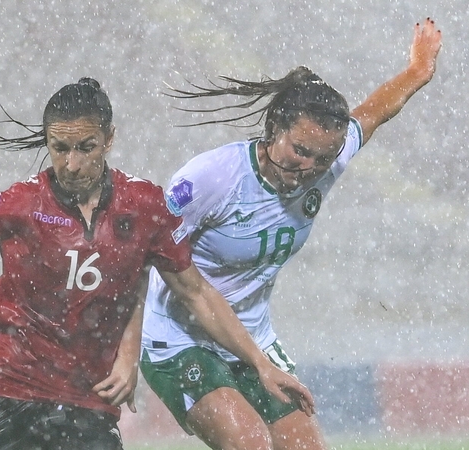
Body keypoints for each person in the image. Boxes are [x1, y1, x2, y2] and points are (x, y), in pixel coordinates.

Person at [0, 77, 314, 450]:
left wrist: (259, 363)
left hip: (82, 404)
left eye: (85, 148)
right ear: (46, 143)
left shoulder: (145, 210)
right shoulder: (19, 204)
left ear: (109, 139)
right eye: (59, 149)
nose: (72, 164)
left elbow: (194, 292)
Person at [140, 18, 443, 450]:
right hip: (180, 339)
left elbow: (374, 113)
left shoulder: (325, 163)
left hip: (254, 339)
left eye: (324, 158)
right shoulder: (210, 180)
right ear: (273, 131)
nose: (310, 169)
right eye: (300, 151)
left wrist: (417, 72)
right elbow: (169, 274)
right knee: (251, 445)